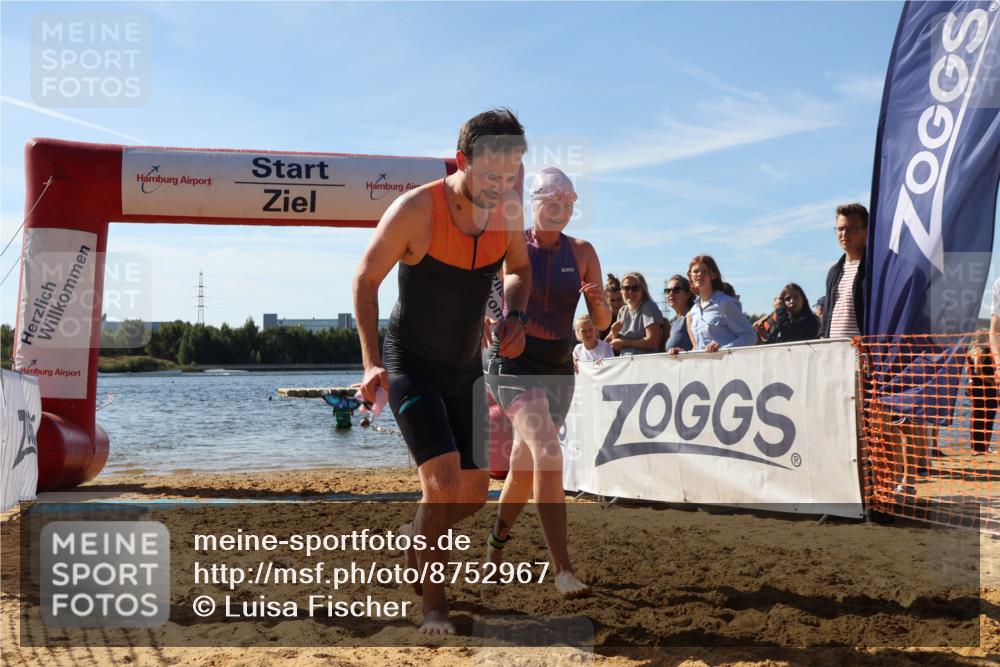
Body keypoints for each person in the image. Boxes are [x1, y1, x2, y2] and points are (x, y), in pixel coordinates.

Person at [353, 108, 531, 635]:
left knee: (473, 495)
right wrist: (370, 362)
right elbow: (365, 280)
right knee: (443, 484)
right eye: (492, 174)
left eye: (511, 175)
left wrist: (514, 315)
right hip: (411, 365)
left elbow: (519, 268)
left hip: (465, 367)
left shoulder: (508, 211)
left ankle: (417, 533)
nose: (502, 186)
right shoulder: (416, 209)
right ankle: (435, 608)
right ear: (462, 161)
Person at [485, 167, 610, 599]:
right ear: (533, 203)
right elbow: (484, 290)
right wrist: (485, 318)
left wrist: (599, 303)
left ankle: (494, 550)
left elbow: (601, 322)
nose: (560, 211)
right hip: (513, 361)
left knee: (522, 466)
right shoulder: (512, 242)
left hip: (557, 365)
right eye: (552, 203)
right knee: (548, 451)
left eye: (567, 205)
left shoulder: (582, 251)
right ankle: (563, 570)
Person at [672, 255, 756, 353]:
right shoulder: (694, 310)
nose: (699, 274)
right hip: (703, 363)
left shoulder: (726, 303)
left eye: (704, 271)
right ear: (690, 276)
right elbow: (698, 348)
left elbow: (750, 336)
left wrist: (723, 349)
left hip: (726, 362)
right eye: (695, 271)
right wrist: (681, 354)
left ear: (714, 275)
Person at [821, 203, 868, 338]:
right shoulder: (834, 272)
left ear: (866, 231)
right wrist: (822, 337)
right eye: (840, 229)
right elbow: (827, 314)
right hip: (833, 348)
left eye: (851, 229)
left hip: (863, 348)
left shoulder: (873, 269)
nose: (844, 234)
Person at [607, 272, 663, 355]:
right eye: (626, 288)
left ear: (642, 290)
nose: (630, 292)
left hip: (645, 361)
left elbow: (652, 341)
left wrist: (624, 342)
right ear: (621, 291)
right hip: (625, 361)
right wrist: (614, 334)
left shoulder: (649, 307)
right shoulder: (623, 311)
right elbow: (615, 348)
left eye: (635, 288)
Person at [968, 330, 997, 455]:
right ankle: (978, 448)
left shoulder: (975, 350)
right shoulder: (979, 351)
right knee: (981, 416)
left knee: (986, 416)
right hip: (982, 389)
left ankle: (984, 447)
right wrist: (992, 382)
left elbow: (970, 372)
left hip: (980, 388)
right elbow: (977, 371)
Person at [663, 275, 694, 352]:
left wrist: (684, 353)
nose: (670, 294)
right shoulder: (672, 323)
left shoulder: (694, 317)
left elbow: (701, 345)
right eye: (668, 291)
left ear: (688, 294)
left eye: (676, 290)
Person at [600, 273, 624, 340]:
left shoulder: (632, 315)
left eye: (619, 299)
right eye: (612, 300)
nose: (616, 304)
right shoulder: (602, 320)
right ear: (606, 301)